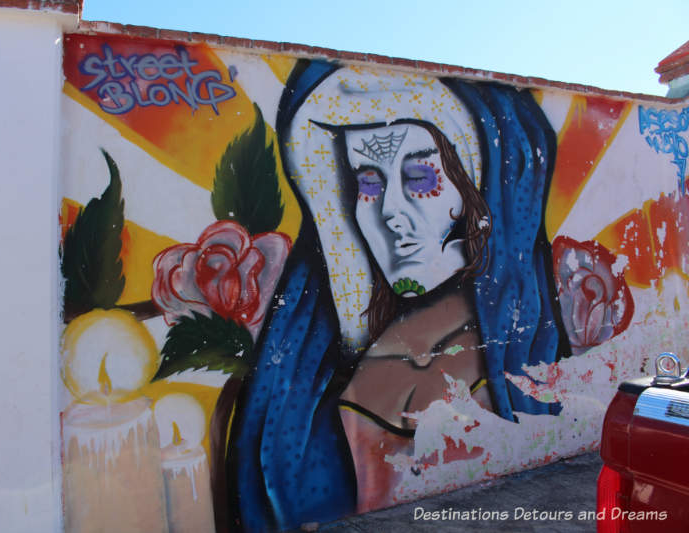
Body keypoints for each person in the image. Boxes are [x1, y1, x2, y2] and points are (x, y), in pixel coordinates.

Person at [226, 59, 571, 532]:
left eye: (419, 178)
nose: (389, 212)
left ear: (479, 188)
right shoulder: (324, 360)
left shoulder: (517, 344)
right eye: (368, 182)